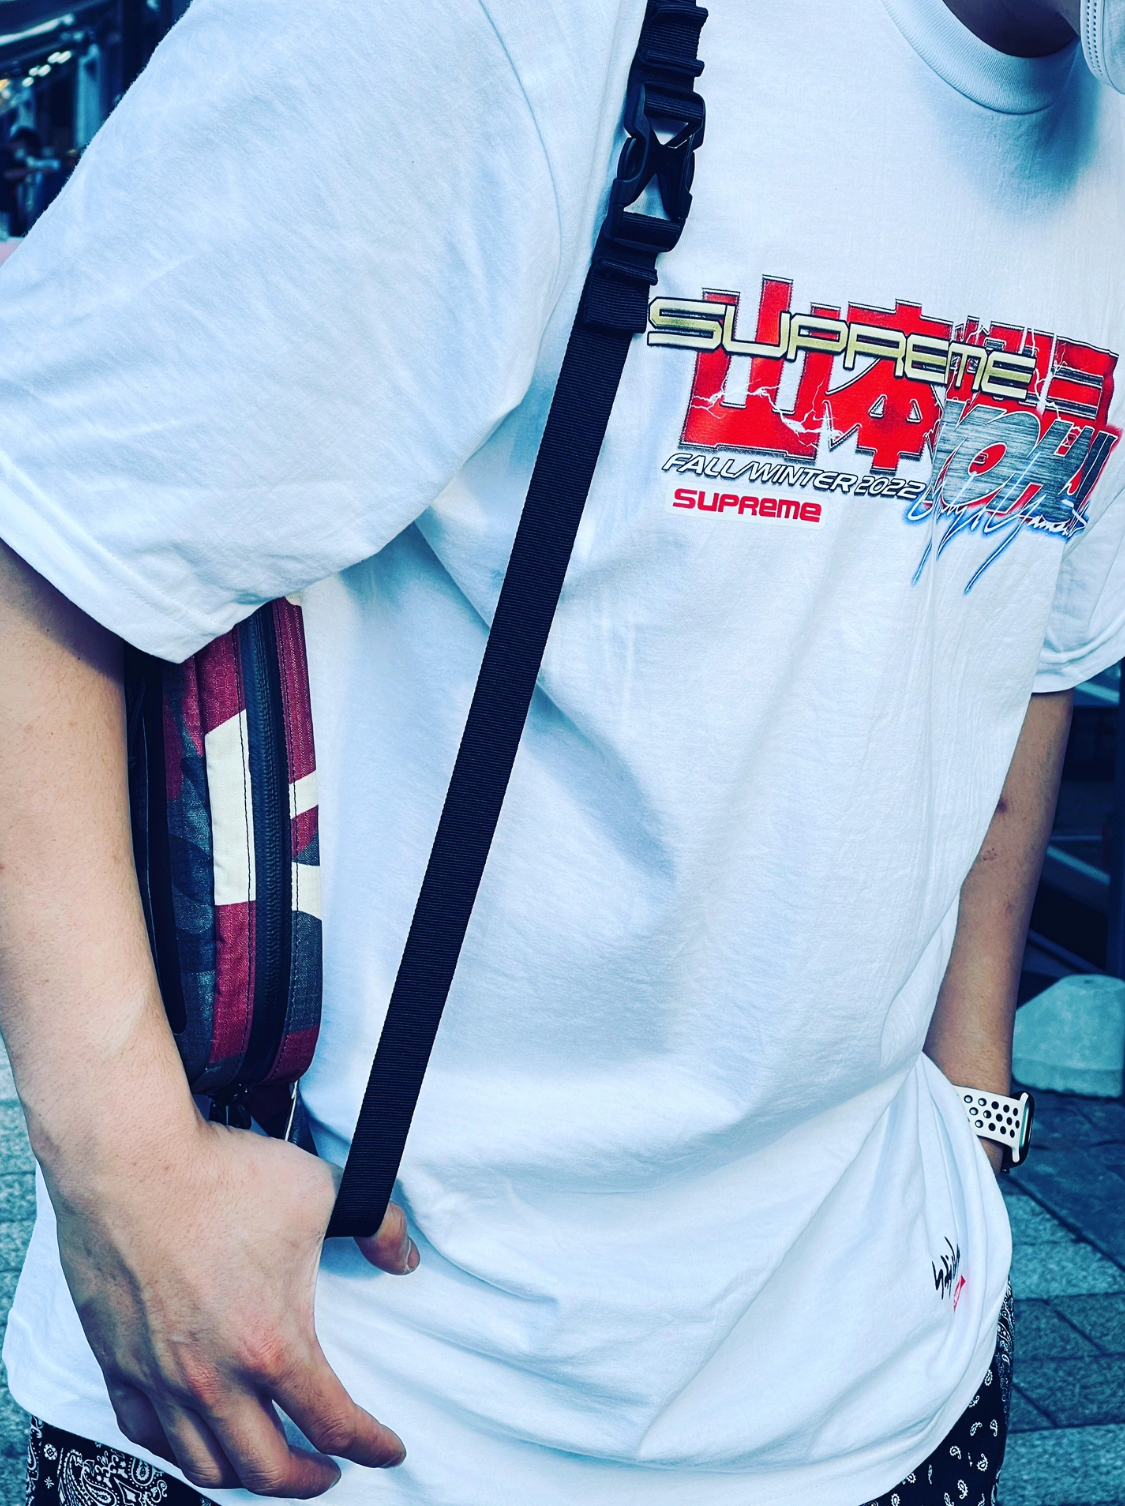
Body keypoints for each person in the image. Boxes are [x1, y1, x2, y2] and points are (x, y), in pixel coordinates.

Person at [0, 0, 1121, 1502]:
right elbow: (40, 520)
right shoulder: (515, 25)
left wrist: (969, 1108)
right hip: (355, 1401)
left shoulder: (1107, 137)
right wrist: (124, 1175)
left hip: (884, 1390)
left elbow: (1026, 642)